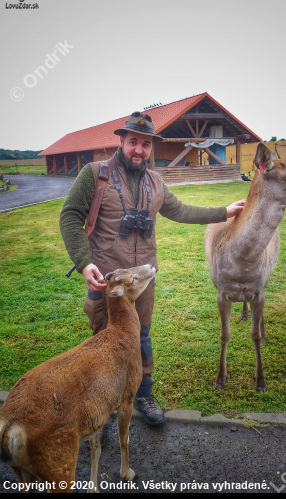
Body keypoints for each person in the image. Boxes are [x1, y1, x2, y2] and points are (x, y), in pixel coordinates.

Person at [59, 111, 245, 427]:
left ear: (151, 148)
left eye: (145, 145)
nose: (139, 150)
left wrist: (223, 212)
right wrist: (83, 261)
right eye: (134, 142)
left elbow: (182, 210)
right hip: (108, 281)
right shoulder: (95, 175)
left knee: (141, 337)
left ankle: (144, 393)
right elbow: (70, 216)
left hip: (143, 281)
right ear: (122, 140)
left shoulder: (156, 181)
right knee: (103, 339)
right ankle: (101, 406)